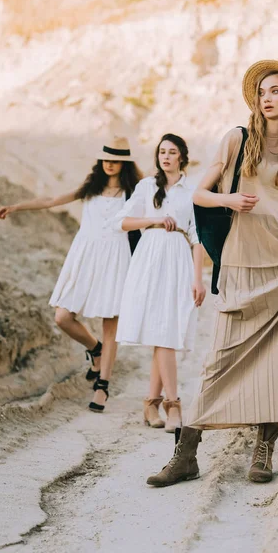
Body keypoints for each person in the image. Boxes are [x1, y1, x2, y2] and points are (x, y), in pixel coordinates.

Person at [146, 60, 278, 487]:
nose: (266, 99)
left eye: (275, 91)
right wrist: (229, 200)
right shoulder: (238, 139)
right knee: (220, 357)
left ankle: (263, 450)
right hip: (240, 258)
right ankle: (186, 454)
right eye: (262, 93)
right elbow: (200, 193)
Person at [0, 136, 143, 412]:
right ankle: (95, 349)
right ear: (101, 161)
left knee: (111, 324)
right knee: (63, 317)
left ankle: (103, 386)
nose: (110, 164)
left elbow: (156, 214)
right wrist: (17, 206)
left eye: (116, 160)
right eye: (106, 159)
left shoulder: (134, 193)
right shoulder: (90, 189)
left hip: (117, 258)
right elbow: (52, 200)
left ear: (124, 163)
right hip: (85, 257)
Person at [115, 134, 206, 432]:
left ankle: (152, 403)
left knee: (165, 329)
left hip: (178, 260)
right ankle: (173, 405)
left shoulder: (192, 190)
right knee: (161, 331)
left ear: (182, 156)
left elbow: (197, 237)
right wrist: (152, 221)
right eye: (162, 152)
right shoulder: (145, 186)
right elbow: (124, 222)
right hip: (150, 259)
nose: (166, 156)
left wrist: (197, 278)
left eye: (172, 152)